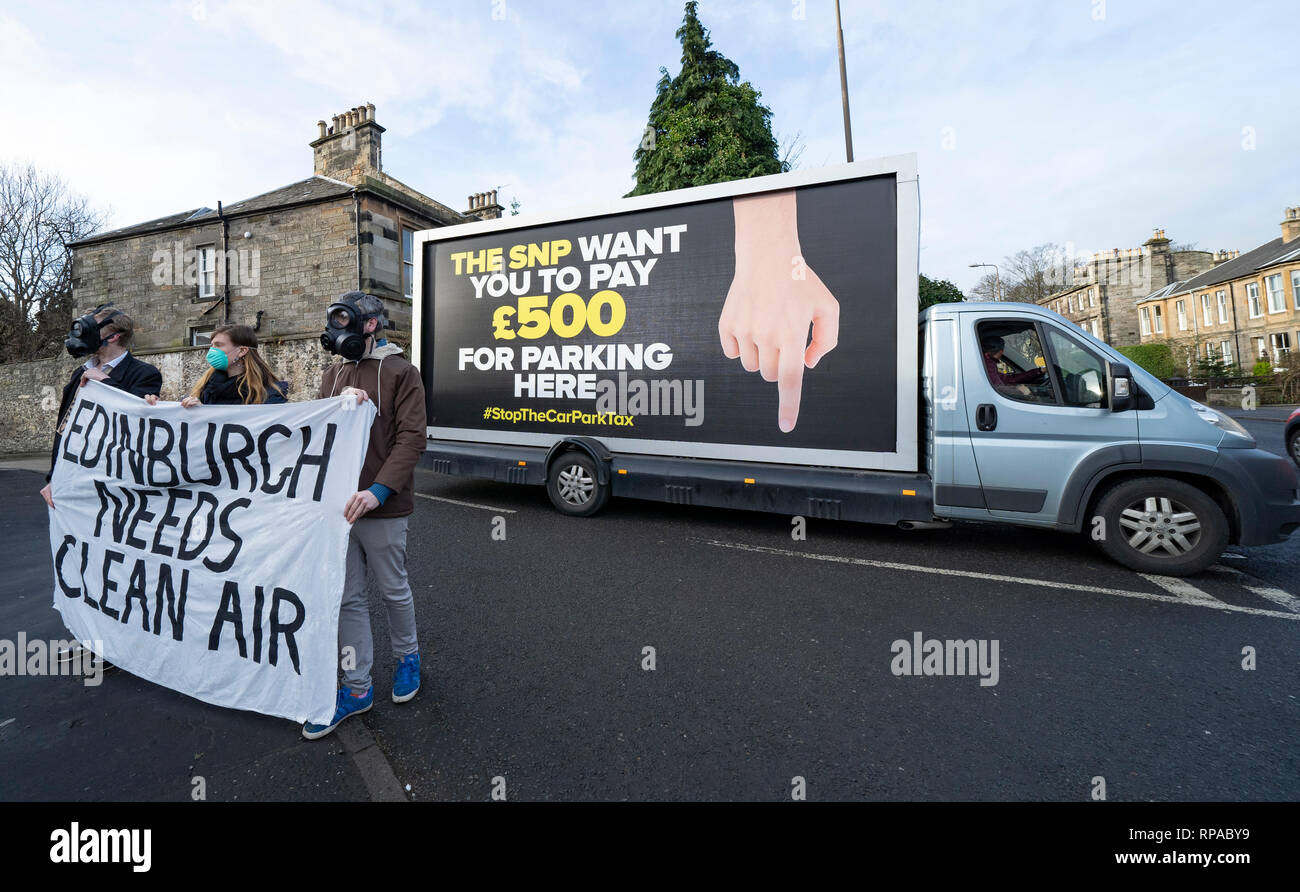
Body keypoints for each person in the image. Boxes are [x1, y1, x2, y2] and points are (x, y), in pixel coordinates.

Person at [303, 291, 427, 740]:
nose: (337, 331)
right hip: (337, 508)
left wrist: (378, 491)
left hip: (383, 505)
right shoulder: (332, 374)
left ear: (371, 325)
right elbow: (314, 431)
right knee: (346, 598)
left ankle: (408, 659)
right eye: (333, 321)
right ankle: (356, 689)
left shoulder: (402, 372)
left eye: (345, 320)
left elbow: (412, 439)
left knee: (394, 590)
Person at [41, 306, 162, 509]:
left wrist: (104, 382)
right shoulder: (80, 372)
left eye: (91, 328)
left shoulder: (145, 373)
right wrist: (53, 477)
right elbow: (64, 429)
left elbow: (135, 421)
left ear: (113, 336)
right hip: (72, 479)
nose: (83, 333)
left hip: (113, 483)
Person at [144, 324, 288, 408]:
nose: (212, 350)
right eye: (212, 345)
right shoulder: (205, 388)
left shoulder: (269, 394)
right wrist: (158, 408)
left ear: (242, 350)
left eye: (218, 345)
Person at [981, 335, 1047, 394]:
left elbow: (1008, 379)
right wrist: (1019, 391)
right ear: (1001, 352)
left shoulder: (985, 362)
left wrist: (1039, 371)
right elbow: (998, 388)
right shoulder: (987, 363)